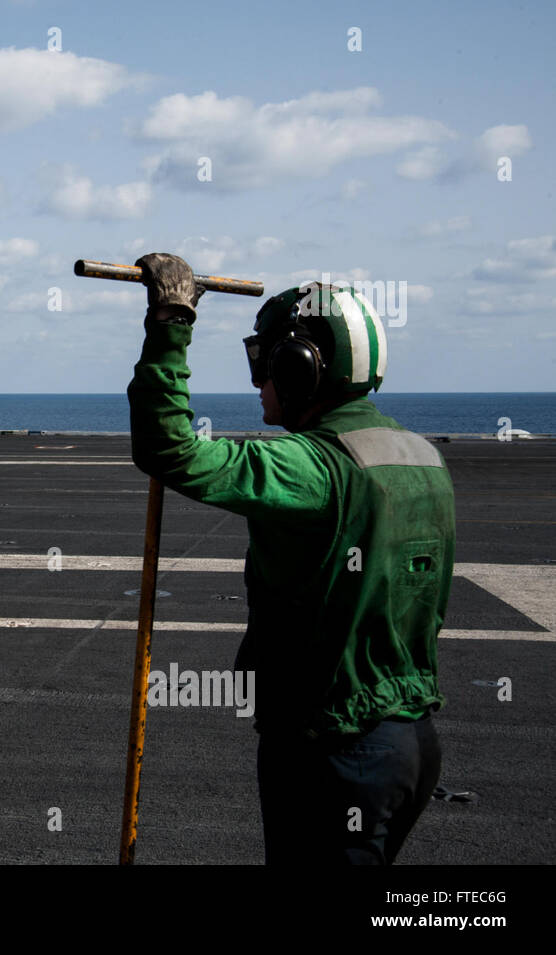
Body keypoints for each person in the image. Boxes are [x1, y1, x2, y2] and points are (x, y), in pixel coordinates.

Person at [126, 252, 456, 864]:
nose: (258, 382)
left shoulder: (311, 465)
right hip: (409, 742)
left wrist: (170, 322)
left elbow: (169, 448)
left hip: (334, 747)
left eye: (265, 362)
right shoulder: (421, 458)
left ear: (300, 367)